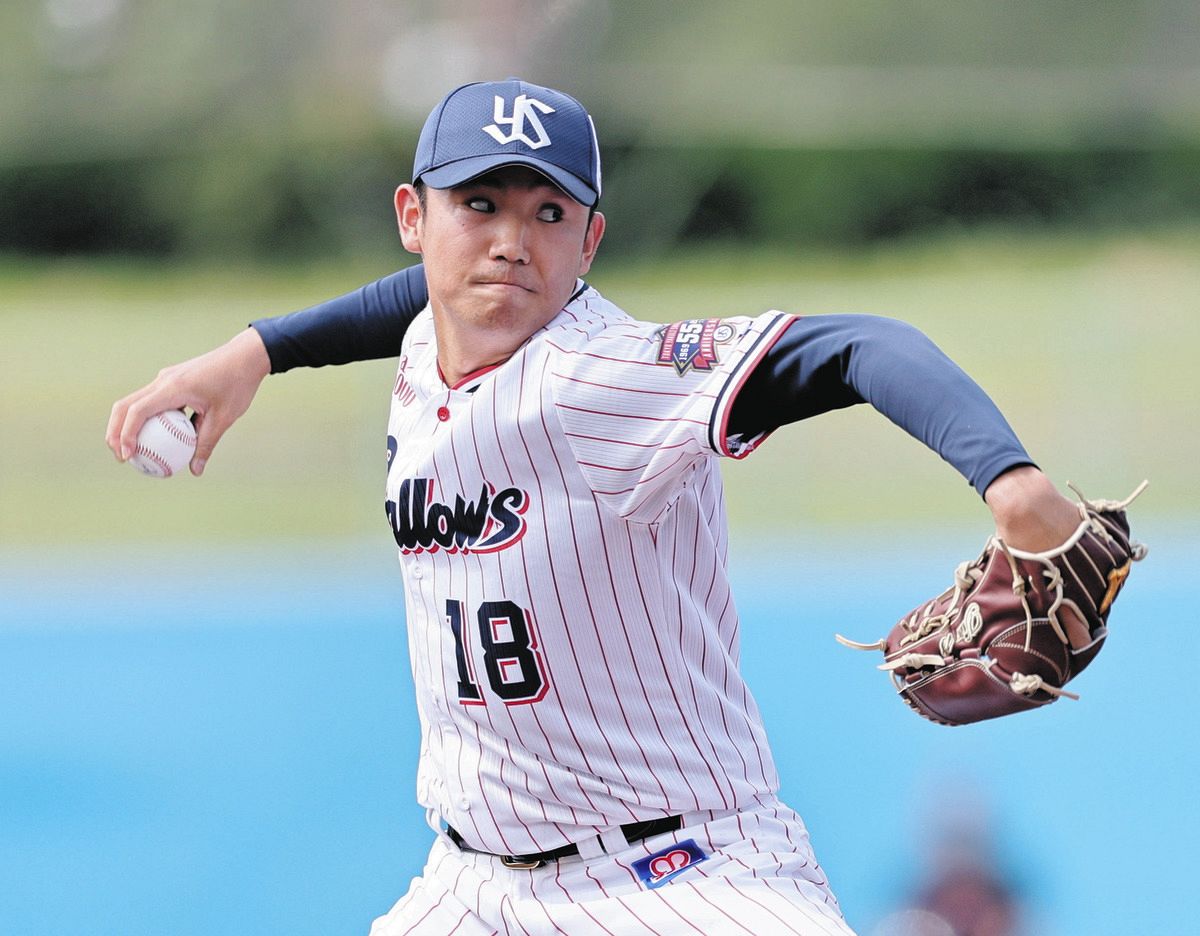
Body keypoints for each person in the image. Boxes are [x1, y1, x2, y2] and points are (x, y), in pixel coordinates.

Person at [107, 79, 1084, 935]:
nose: (509, 243)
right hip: (472, 887)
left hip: (679, 874)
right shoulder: (431, 336)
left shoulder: (610, 376)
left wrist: (1011, 481)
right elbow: (415, 302)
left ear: (590, 241)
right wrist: (257, 352)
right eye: (478, 204)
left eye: (549, 214)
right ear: (413, 217)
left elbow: (860, 346)